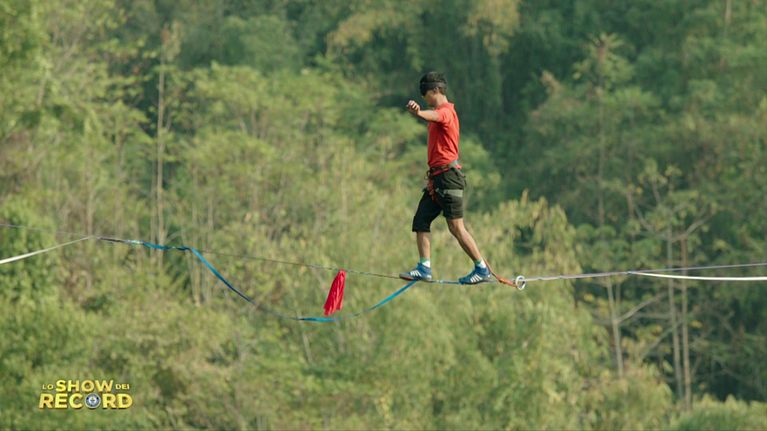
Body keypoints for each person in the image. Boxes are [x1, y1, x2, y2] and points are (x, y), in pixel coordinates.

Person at [399, 72, 491, 285]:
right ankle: (424, 267)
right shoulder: (437, 113)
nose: (426, 100)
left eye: (427, 95)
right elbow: (433, 116)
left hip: (449, 178)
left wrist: (418, 112)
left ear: (436, 90)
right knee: (421, 220)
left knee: (456, 227)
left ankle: (482, 268)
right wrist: (422, 113)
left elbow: (436, 116)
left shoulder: (447, 112)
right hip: (436, 180)